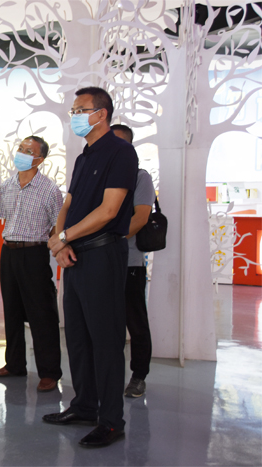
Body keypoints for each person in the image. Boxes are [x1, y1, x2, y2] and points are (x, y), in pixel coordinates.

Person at [43, 87, 138, 447]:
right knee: (78, 336)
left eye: (81, 110)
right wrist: (61, 242)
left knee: (106, 340)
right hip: (75, 255)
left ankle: (111, 421)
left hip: (102, 255)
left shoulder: (121, 152)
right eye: (73, 110)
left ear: (101, 113)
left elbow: (109, 210)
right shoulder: (84, 156)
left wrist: (64, 237)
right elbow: (68, 204)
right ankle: (84, 405)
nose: (75, 116)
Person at [0, 135, 63, 392]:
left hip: (34, 254)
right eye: (20, 148)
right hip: (9, 252)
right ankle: (14, 364)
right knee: (11, 311)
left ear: (39, 159)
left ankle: (49, 372)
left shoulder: (50, 190)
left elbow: (58, 225)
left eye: (28, 151)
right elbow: (5, 219)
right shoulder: (6, 186)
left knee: (41, 314)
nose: (20, 153)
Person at [111, 123, 156, 398]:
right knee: (107, 323)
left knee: (135, 322)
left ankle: (139, 376)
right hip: (102, 263)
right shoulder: (100, 176)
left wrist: (107, 240)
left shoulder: (140, 178)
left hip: (130, 264)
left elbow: (140, 219)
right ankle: (109, 374)